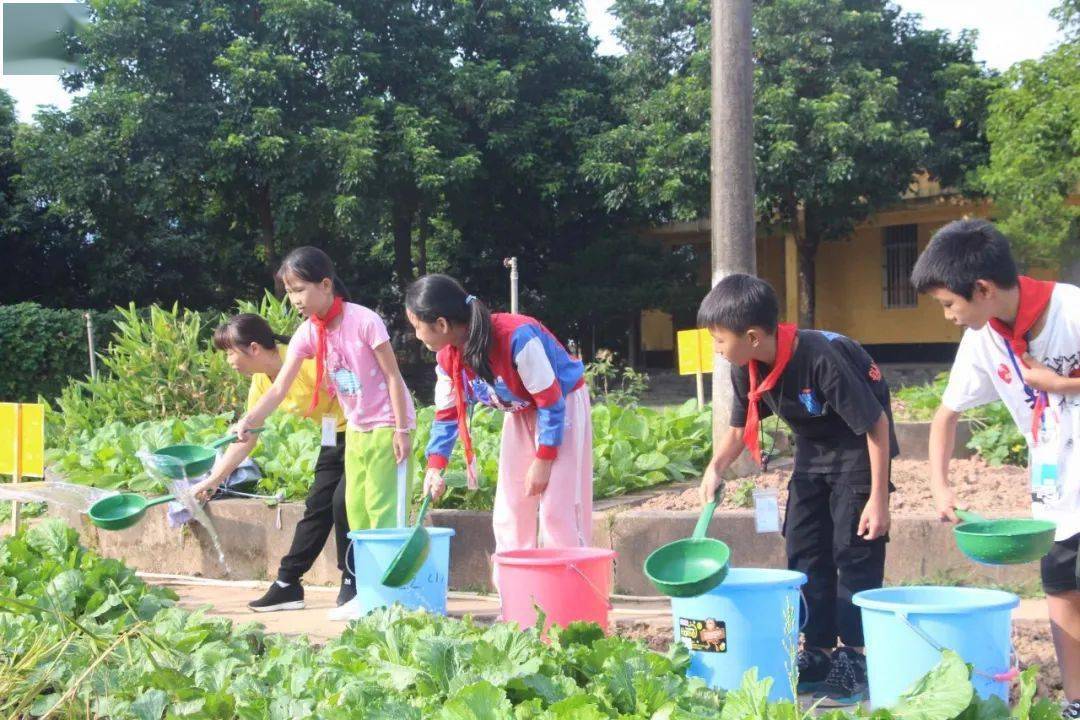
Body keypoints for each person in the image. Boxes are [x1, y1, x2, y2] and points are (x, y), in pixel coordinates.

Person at [696, 274, 897, 705]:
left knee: (853, 551)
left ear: (752, 336)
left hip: (858, 452)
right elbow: (736, 432)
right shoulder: (744, 368)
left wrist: (878, 498)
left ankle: (854, 655)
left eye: (718, 339)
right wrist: (715, 470)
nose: (716, 347)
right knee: (804, 549)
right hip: (813, 453)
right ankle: (819, 650)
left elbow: (875, 423)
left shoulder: (821, 357)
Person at [912, 218, 1080, 719]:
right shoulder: (986, 338)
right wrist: (939, 487)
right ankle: (1076, 700)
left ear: (981, 289)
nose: (948, 316)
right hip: (1057, 488)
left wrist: (1064, 384)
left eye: (949, 303)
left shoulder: (1071, 308)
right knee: (1062, 589)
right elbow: (946, 415)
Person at [234, 247, 416, 621]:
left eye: (299, 290)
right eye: (289, 292)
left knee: (384, 515)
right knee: (357, 514)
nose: (294, 300)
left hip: (385, 427)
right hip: (356, 431)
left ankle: (390, 600)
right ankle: (369, 595)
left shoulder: (365, 321)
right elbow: (279, 387)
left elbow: (394, 377)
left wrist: (402, 428)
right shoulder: (307, 334)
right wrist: (249, 420)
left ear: (326, 284)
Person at [404, 274, 592, 568]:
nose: (416, 335)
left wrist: (544, 458)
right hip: (520, 412)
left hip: (560, 407)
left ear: (441, 324)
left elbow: (550, 401)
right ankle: (516, 597)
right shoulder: (448, 358)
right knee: (512, 506)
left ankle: (568, 598)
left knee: (558, 507)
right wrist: (435, 467)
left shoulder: (517, 337)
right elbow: (447, 414)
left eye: (417, 327)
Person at [191, 314, 351, 612]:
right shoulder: (261, 383)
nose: (228, 361)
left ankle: (351, 581)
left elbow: (354, 387)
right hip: (334, 435)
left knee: (344, 503)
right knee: (318, 504)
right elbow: (247, 440)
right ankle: (288, 583)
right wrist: (212, 481)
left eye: (229, 353)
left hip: (363, 429)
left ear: (253, 348)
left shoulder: (303, 359)